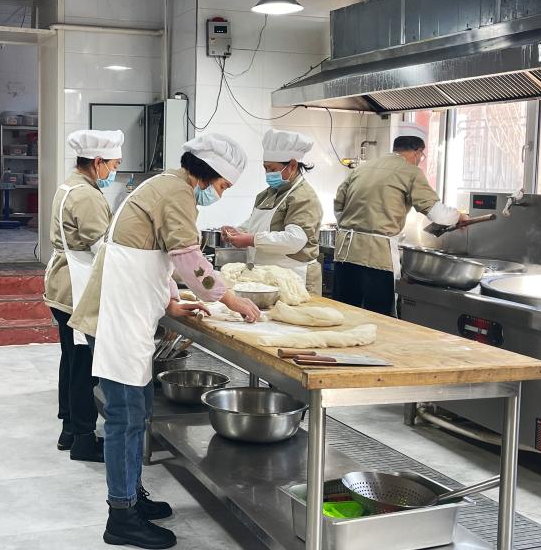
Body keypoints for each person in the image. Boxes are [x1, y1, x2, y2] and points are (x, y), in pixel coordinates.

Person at [69, 133, 261, 549]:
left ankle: (131, 497)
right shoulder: (177, 192)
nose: (221, 193)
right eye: (223, 185)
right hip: (119, 319)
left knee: (136, 411)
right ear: (209, 174)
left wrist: (170, 302)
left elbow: (154, 257)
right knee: (125, 418)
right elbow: (188, 258)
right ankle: (121, 517)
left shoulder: (166, 185)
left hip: (129, 314)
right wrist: (230, 298)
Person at [43, 129, 123, 463]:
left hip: (62, 284)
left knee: (72, 361)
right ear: (98, 161)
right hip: (76, 288)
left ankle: (70, 430)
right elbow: (103, 248)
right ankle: (84, 440)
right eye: (114, 165)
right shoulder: (87, 196)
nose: (115, 171)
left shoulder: (69, 186)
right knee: (83, 368)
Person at [332, 123, 468, 316]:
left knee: (343, 315)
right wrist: (458, 216)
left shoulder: (363, 167)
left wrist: (355, 225)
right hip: (376, 256)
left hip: (344, 252)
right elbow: (438, 214)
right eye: (422, 156)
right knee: (379, 319)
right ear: (417, 152)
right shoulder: (410, 172)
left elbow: (339, 205)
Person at [221, 129, 324, 295]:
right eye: (265, 168)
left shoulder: (303, 197)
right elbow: (255, 223)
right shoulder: (267, 194)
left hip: (295, 280)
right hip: (267, 279)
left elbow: (295, 240)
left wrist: (251, 239)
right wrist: (237, 232)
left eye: (272, 168)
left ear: (292, 165)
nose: (268, 174)